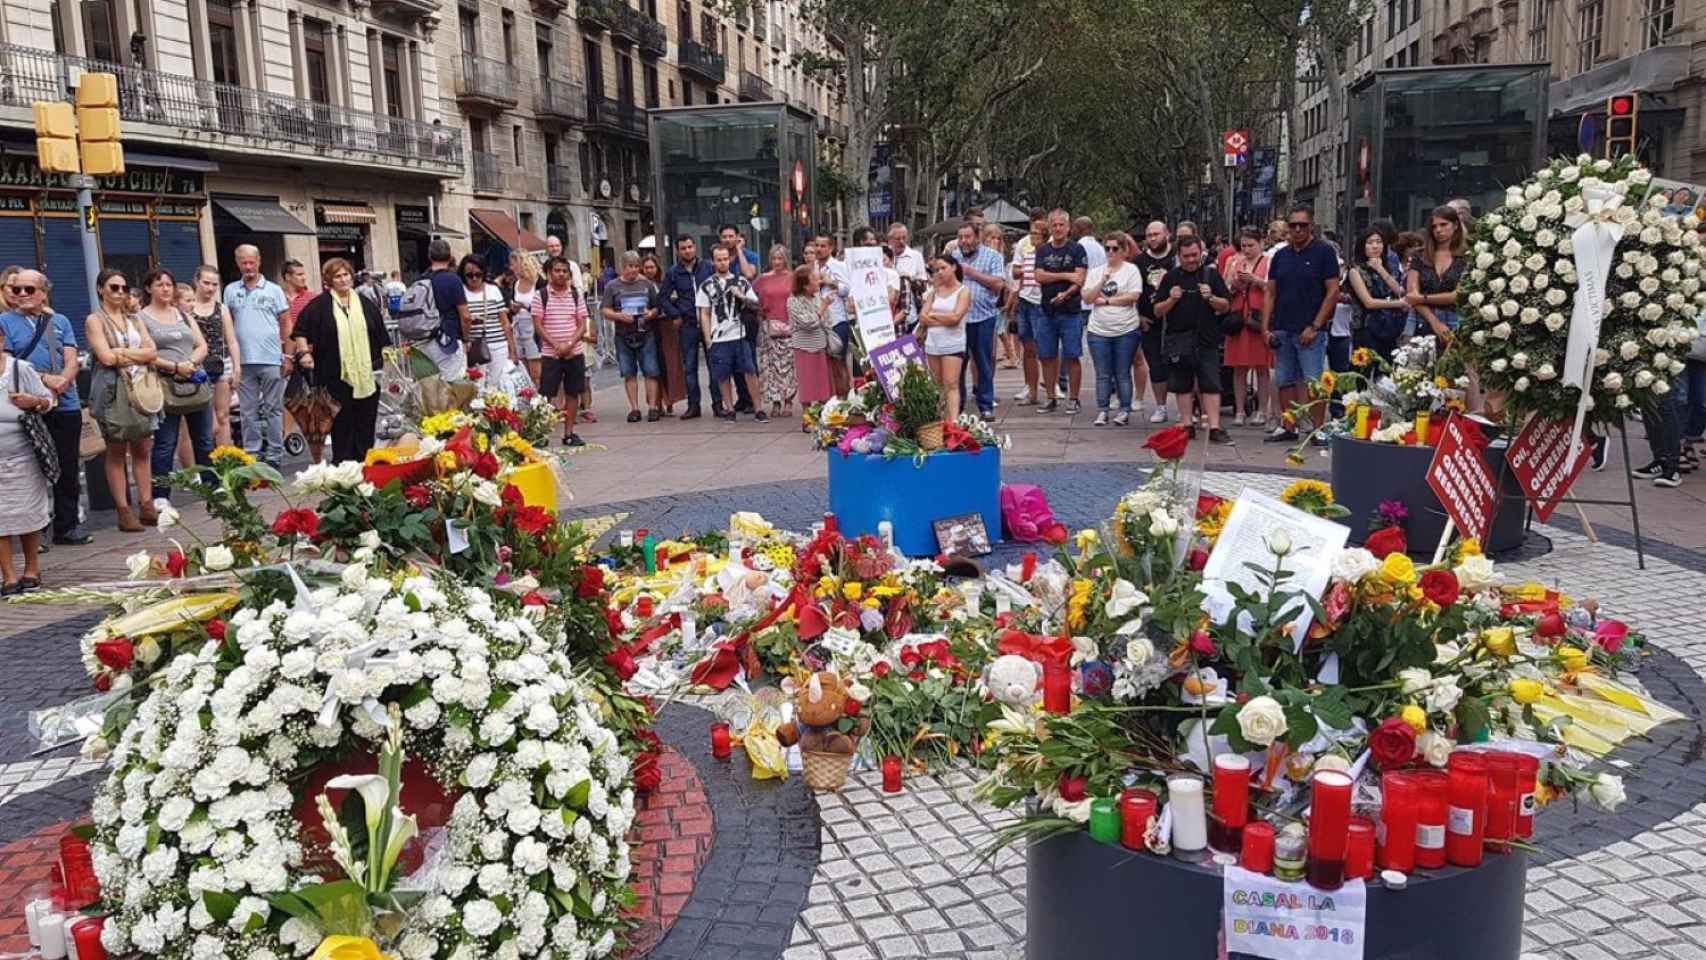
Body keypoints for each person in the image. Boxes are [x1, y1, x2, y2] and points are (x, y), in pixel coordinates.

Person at [1, 270, 89, 546]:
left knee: (67, 466)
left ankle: (67, 526)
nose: (22, 295)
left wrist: (63, 380)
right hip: (27, 405)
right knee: (33, 468)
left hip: (65, 402)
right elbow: (9, 363)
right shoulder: (4, 322)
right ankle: (34, 531)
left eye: (28, 289)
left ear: (43, 292)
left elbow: (72, 356)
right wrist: (46, 380)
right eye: (16, 290)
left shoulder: (58, 320)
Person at [289, 258, 388, 464]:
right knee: (342, 423)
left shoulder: (365, 303)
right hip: (334, 375)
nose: (343, 280)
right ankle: (343, 465)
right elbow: (300, 330)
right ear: (329, 280)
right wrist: (304, 353)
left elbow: (380, 333)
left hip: (365, 376)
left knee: (365, 421)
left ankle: (364, 463)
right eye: (338, 276)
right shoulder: (320, 305)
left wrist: (388, 356)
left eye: (346, 275)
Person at [1261, 204, 1339, 442]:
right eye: (1292, 225)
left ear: (1311, 226)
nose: (1297, 230)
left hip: (1311, 331)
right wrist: (1265, 327)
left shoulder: (1324, 252)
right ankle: (1289, 426)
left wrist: (1315, 326)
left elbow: (1333, 292)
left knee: (1314, 382)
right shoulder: (1280, 255)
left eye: (1302, 225)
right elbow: (1270, 292)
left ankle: (1317, 430)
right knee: (1284, 380)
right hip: (1283, 328)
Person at [86, 269, 156, 532]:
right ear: (101, 289)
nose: (119, 293)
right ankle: (123, 510)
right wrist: (135, 354)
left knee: (143, 446)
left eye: (124, 288)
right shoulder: (96, 320)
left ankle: (146, 505)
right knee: (116, 449)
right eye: (114, 287)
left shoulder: (135, 319)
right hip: (113, 390)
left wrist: (123, 353)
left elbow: (151, 351)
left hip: (141, 388)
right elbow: (105, 358)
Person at [138, 269, 213, 503]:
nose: (165, 289)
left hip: (194, 379)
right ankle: (161, 494)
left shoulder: (183, 315)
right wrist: (173, 366)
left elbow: (201, 345)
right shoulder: (141, 317)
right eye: (159, 284)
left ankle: (212, 485)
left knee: (204, 439)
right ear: (149, 288)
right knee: (165, 443)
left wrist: (190, 362)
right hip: (165, 385)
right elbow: (146, 353)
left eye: (169, 284)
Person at [1154, 236, 1234, 444]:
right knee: (1182, 384)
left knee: (1211, 383)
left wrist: (1211, 298)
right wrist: (1171, 299)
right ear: (1179, 256)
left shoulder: (1211, 274)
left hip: (1207, 337)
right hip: (1179, 338)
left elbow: (1226, 305)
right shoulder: (1171, 277)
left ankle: (1215, 427)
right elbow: (1157, 311)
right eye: (1186, 256)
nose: (1190, 260)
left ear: (1201, 253)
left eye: (1194, 255)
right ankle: (1186, 424)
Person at [0, 321, 55, 593]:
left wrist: (33, 402)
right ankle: (8, 576)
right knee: (0, 518)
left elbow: (48, 401)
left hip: (24, 453)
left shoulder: (20, 370)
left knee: (27, 513)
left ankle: (32, 568)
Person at [225, 244, 291, 469]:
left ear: (259, 261)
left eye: (252, 262)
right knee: (247, 411)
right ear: (237, 263)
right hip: (243, 361)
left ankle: (274, 455)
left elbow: (285, 321)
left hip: (271, 358)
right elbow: (229, 324)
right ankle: (252, 455)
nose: (248, 266)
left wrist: (287, 353)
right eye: (244, 262)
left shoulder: (273, 290)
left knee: (273, 410)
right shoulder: (230, 290)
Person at [696, 243, 765, 422]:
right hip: (719, 336)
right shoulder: (706, 285)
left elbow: (756, 304)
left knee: (749, 371)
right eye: (719, 260)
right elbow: (704, 313)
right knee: (722, 374)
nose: (722, 263)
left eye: (725, 259)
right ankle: (729, 408)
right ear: (713, 262)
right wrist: (707, 338)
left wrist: (741, 296)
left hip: (740, 334)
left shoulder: (741, 281)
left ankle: (758, 408)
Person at [1081, 232, 1144, 426]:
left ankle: (1124, 409)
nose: (1110, 252)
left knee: (1122, 372)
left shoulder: (1131, 270)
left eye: (1115, 248)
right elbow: (1088, 298)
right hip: (1099, 330)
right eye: (1107, 248)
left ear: (1124, 251)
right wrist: (1102, 280)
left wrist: (1107, 300)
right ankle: (1103, 410)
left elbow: (1133, 296)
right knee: (1102, 373)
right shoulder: (1096, 272)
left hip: (1126, 329)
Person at [1033, 209, 1088, 415]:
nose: (1057, 229)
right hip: (1046, 311)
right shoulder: (1042, 250)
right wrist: (1066, 275)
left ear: (1068, 226)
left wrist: (1065, 293)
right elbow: (1038, 276)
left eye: (1061, 225)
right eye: (1054, 225)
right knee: (1046, 356)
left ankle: (1073, 398)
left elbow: (1080, 279)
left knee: (1072, 355)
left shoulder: (1077, 249)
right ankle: (1050, 397)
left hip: (1071, 311)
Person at [1218, 228, 1274, 426]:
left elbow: (1273, 287)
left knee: (1262, 367)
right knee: (1238, 367)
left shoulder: (1268, 262)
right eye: (1244, 245)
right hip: (1238, 316)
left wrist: (1255, 281)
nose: (1247, 249)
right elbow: (1225, 289)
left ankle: (1261, 410)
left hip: (1258, 317)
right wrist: (1235, 285)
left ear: (1261, 244)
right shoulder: (1235, 262)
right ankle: (1240, 410)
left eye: (1251, 245)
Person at [950, 222, 1005, 419]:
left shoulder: (993, 257)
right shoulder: (952, 258)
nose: (964, 241)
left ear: (977, 237)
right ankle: (958, 406)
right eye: (961, 237)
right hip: (957, 320)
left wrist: (971, 273)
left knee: (983, 363)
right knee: (957, 364)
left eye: (968, 237)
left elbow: (998, 284)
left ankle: (985, 404)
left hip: (983, 318)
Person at [602, 252, 664, 422]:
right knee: (629, 372)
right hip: (623, 334)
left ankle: (652, 407)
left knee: (651, 370)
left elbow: (656, 307)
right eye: (630, 266)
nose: (634, 270)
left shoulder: (647, 284)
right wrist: (619, 316)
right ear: (623, 267)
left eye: (637, 266)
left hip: (646, 332)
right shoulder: (612, 286)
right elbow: (605, 310)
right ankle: (634, 408)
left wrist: (650, 313)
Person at [537, 256, 591, 446]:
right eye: (557, 270)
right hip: (551, 354)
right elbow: (539, 325)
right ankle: (542, 433)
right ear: (549, 273)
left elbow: (582, 325)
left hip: (573, 352)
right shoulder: (541, 295)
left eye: (564, 271)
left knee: (573, 392)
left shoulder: (575, 295)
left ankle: (569, 433)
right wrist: (556, 345)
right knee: (546, 394)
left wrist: (568, 344)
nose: (561, 274)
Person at [662, 236, 714, 418]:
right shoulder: (673, 273)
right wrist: (675, 314)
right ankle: (694, 406)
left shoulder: (708, 267)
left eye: (690, 247)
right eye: (683, 248)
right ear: (678, 251)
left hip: (710, 322)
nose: (687, 251)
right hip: (688, 324)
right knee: (690, 367)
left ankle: (718, 404)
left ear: (695, 248)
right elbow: (663, 298)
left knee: (714, 365)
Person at [189, 266, 240, 449]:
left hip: (221, 364)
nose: (210, 288)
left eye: (214, 284)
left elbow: (231, 340)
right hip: (196, 366)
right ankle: (204, 460)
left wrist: (237, 367)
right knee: (203, 419)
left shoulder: (221, 309)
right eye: (206, 283)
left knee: (223, 415)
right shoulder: (188, 308)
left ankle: (225, 460)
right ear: (197, 282)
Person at [1133, 221, 1176, 421]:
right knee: (1156, 365)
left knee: (1183, 363)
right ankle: (1161, 406)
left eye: (1156, 234)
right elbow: (1133, 292)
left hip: (1177, 321)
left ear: (1167, 234)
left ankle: (1190, 408)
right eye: (1149, 235)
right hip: (1150, 321)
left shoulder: (1177, 258)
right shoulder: (1138, 262)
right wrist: (1138, 316)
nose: (1152, 238)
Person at [918, 254, 970, 422]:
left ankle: (953, 422)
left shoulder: (963, 291)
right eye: (936, 269)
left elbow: (955, 318)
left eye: (943, 268)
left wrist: (934, 315)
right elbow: (923, 317)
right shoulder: (934, 292)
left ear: (954, 267)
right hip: (933, 343)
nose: (940, 272)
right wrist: (941, 318)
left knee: (951, 384)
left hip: (953, 343)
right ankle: (941, 420)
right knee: (938, 385)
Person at [1345, 228, 1407, 362]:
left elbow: (1400, 291)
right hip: (1366, 328)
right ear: (1362, 246)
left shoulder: (1387, 267)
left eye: (1379, 242)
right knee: (1364, 370)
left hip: (1389, 327)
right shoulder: (1356, 271)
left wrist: (1380, 269)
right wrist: (1398, 303)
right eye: (1370, 242)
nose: (1375, 246)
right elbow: (1369, 302)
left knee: (1386, 370)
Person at [461, 254, 519, 395]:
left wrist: (513, 350)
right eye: (469, 275)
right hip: (473, 346)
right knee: (476, 387)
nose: (474, 278)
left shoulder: (493, 290)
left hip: (497, 344)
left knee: (496, 385)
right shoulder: (461, 292)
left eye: (478, 274)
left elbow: (505, 322)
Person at [1406, 205, 1467, 340]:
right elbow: (1411, 295)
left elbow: (1457, 296)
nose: (1438, 230)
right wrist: (1435, 322)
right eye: (1434, 227)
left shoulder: (1466, 257)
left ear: (1455, 225)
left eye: (1443, 225)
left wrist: (1422, 298)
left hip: (1456, 320)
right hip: (1421, 319)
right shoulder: (1419, 255)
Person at [719, 224, 761, 413]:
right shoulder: (719, 257)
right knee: (732, 358)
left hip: (746, 312)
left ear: (738, 237)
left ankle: (754, 399)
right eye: (725, 236)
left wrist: (739, 251)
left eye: (731, 236)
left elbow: (749, 273)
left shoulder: (749, 256)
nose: (728, 239)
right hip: (727, 314)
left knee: (748, 358)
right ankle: (742, 397)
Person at [754, 244, 798, 419]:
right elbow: (752, 298)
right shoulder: (763, 279)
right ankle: (775, 401)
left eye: (780, 258)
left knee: (788, 365)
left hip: (789, 325)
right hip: (768, 325)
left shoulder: (793, 277)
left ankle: (788, 401)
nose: (777, 262)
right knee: (770, 367)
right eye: (774, 258)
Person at [418, 238, 471, 381]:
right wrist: (466, 339)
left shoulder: (421, 280)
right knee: (455, 387)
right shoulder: (453, 280)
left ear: (429, 256)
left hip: (425, 342)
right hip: (448, 341)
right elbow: (465, 316)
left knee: (430, 390)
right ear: (449, 256)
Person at [1009, 209, 1046, 406]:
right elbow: (1016, 274)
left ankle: (1051, 387)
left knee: (1047, 349)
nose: (1032, 237)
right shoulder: (1027, 252)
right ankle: (1031, 390)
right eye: (1031, 232)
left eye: (1036, 233)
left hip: (1043, 304)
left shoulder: (1049, 254)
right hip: (1025, 301)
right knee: (1028, 347)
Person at [642, 254, 685, 416]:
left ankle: (670, 400)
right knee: (653, 366)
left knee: (670, 364)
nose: (649, 270)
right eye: (646, 267)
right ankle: (656, 401)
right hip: (649, 327)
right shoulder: (641, 286)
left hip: (666, 327)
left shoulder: (663, 284)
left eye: (652, 267)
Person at [788, 265, 835, 410]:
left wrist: (823, 310)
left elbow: (827, 320)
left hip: (820, 344)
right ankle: (807, 418)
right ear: (805, 285)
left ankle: (824, 415)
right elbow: (808, 323)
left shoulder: (818, 298)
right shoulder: (793, 301)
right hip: (803, 346)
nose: (818, 282)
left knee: (823, 384)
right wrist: (822, 308)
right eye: (814, 280)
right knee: (807, 384)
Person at [813, 232, 854, 395]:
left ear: (831, 248)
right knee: (824, 364)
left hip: (837, 319)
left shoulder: (839, 266)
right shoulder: (813, 267)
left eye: (823, 246)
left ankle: (844, 396)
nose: (819, 249)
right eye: (817, 245)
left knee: (839, 361)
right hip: (819, 318)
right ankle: (829, 398)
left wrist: (831, 282)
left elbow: (849, 289)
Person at [508, 253, 544, 389]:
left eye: (513, 264)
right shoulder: (515, 283)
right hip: (518, 327)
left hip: (534, 329)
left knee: (536, 372)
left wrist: (525, 306)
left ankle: (543, 401)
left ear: (522, 263)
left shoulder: (539, 282)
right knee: (524, 371)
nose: (511, 268)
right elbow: (512, 305)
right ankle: (531, 400)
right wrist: (513, 309)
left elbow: (544, 307)